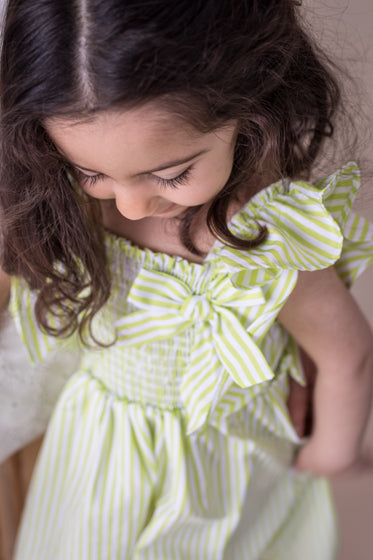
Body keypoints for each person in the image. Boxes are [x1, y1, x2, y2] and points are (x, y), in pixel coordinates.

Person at [0, 1, 373, 558]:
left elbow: (348, 354)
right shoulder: (61, 200)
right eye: (90, 172)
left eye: (171, 174)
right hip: (99, 451)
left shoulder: (261, 236)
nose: (128, 203)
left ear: (250, 112)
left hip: (221, 461)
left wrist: (333, 450)